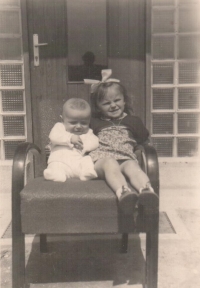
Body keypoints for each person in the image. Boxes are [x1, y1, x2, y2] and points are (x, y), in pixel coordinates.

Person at [85, 69, 159, 215]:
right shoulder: (94, 122)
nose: (113, 105)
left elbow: (144, 140)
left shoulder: (133, 121)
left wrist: (139, 150)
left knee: (132, 166)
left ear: (124, 100)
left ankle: (146, 191)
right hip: (101, 161)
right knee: (110, 163)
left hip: (126, 158)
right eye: (106, 103)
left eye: (117, 100)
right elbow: (81, 137)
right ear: (98, 107)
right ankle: (123, 193)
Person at [43, 98, 99, 182]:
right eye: (73, 123)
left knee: (87, 160)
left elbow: (95, 141)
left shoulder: (88, 132)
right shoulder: (60, 127)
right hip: (60, 161)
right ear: (63, 120)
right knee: (55, 165)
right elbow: (53, 136)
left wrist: (85, 145)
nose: (79, 126)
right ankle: (55, 175)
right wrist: (70, 138)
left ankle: (86, 173)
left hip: (77, 164)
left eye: (84, 123)